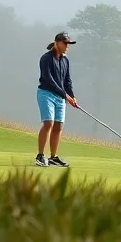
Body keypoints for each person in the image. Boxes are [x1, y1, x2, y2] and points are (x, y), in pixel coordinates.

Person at [35, 32, 77, 167]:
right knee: (48, 123)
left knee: (58, 126)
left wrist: (72, 96)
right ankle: (40, 155)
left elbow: (67, 80)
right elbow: (48, 79)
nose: (67, 47)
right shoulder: (46, 58)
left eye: (68, 44)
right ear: (57, 42)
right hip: (46, 93)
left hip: (60, 97)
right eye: (65, 43)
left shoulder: (65, 60)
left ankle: (53, 157)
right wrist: (66, 96)